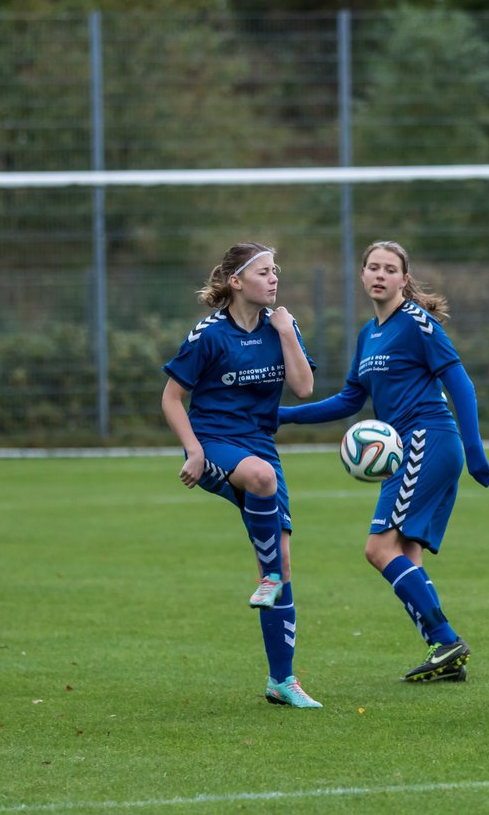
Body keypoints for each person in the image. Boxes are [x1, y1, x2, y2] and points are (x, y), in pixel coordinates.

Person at [278, 240, 489, 684]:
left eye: (389, 269)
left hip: (427, 439)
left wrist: (475, 451)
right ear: (362, 276)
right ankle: (444, 654)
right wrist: (284, 416)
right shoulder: (368, 333)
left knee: (378, 549)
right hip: (408, 449)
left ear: (404, 279)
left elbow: (461, 384)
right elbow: (350, 399)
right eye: (372, 267)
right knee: (405, 552)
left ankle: (446, 638)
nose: (379, 275)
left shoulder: (416, 322)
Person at [161, 242, 323, 710]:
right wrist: (193, 450)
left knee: (284, 563)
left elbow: (304, 387)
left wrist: (289, 331)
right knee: (261, 477)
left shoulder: (280, 328)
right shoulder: (209, 335)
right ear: (236, 282)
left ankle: (282, 681)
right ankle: (267, 576)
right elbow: (172, 398)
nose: (274, 280)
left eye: (277, 272)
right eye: (265, 273)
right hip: (214, 441)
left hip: (259, 445)